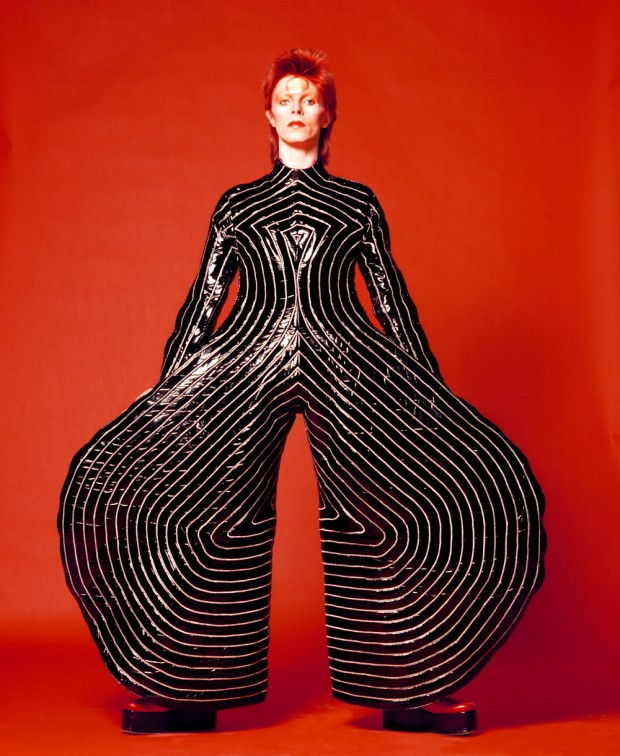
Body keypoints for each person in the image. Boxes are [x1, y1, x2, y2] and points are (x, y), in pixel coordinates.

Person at [58, 48, 545, 736]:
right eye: (284, 98)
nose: (295, 108)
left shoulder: (357, 203)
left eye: (308, 99)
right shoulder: (237, 205)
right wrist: (170, 384)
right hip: (245, 357)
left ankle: (411, 685)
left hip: (346, 359)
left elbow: (390, 298)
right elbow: (206, 299)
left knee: (388, 504)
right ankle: (187, 687)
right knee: (209, 506)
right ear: (267, 114)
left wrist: (429, 383)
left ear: (328, 115)